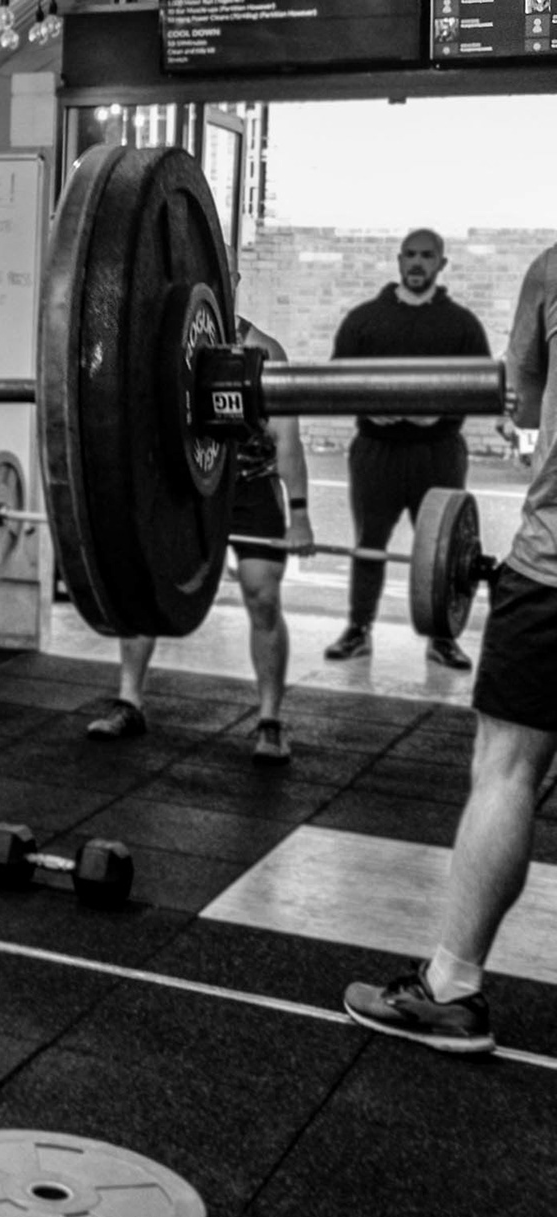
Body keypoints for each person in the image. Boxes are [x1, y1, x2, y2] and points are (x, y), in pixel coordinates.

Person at [342, 239, 557, 1054]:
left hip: (553, 566)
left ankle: (453, 988)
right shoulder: (369, 318)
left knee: (508, 768)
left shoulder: (552, 270)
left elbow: (525, 409)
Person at [87, 314, 315, 763]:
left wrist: (301, 517)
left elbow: (287, 441)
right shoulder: (163, 340)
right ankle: (129, 702)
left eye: (230, 277)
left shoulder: (266, 353)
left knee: (263, 595)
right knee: (145, 586)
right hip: (185, 487)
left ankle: (270, 720)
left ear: (236, 281)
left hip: (250, 486)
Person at [324, 228, 490, 669]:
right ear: (399, 260)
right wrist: (369, 407)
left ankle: (442, 638)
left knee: (444, 550)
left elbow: (481, 387)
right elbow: (337, 380)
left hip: (438, 452)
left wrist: (437, 414)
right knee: (369, 543)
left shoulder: (461, 324)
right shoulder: (364, 319)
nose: (417, 262)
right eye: (410, 255)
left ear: (441, 264)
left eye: (427, 256)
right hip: (377, 451)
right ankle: (358, 630)